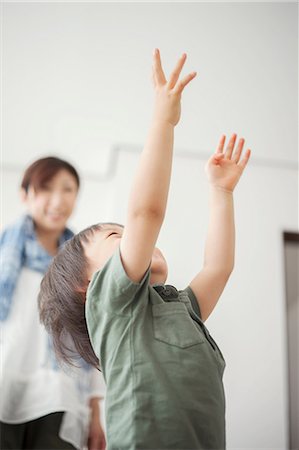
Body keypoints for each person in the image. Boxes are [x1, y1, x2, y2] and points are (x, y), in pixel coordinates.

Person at [38, 49, 251, 449]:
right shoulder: (114, 309)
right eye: (117, 237)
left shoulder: (182, 308)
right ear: (89, 287)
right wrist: (163, 121)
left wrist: (222, 192)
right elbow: (146, 213)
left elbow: (217, 268)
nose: (138, 239)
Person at [0, 156, 106, 450]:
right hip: (4, 386)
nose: (58, 201)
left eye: (68, 189)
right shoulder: (3, 254)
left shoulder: (86, 265)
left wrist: (96, 414)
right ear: (25, 195)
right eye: (46, 188)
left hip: (60, 396)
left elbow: (91, 340)